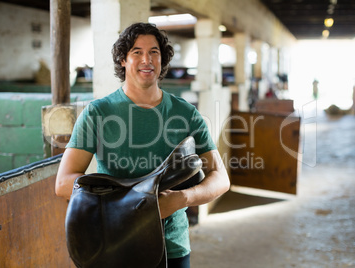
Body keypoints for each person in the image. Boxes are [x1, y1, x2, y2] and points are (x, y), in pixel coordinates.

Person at [55, 22, 230, 267]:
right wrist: (137, 200)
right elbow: (63, 183)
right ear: (123, 60)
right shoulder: (98, 112)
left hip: (172, 246)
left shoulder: (186, 113)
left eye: (154, 52)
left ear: (162, 60)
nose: (146, 59)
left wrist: (182, 198)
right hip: (115, 242)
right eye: (136, 52)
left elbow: (221, 178)